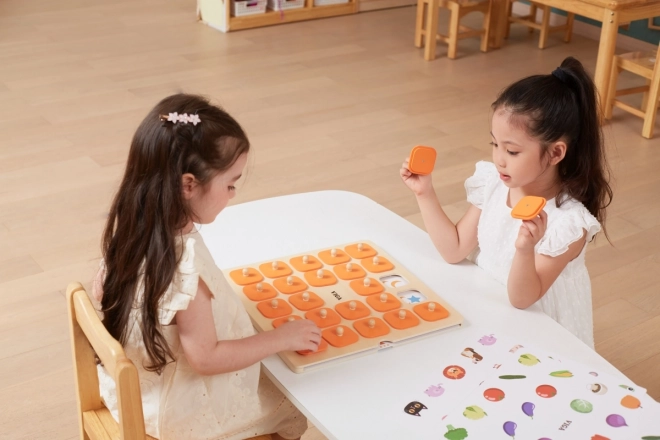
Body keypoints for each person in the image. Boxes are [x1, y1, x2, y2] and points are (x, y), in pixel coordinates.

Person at [92, 93, 321, 439]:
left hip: (136, 391)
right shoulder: (184, 271)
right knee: (291, 399)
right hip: (176, 417)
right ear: (188, 185)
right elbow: (207, 359)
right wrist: (280, 338)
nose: (232, 194)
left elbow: (101, 290)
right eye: (230, 184)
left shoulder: (131, 229)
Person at [400, 57, 612, 348]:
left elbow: (522, 299)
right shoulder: (494, 184)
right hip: (490, 308)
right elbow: (454, 248)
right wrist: (424, 192)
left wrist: (525, 249)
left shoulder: (568, 224)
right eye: (495, 144)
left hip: (536, 327)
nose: (498, 158)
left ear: (555, 154)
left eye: (512, 151)